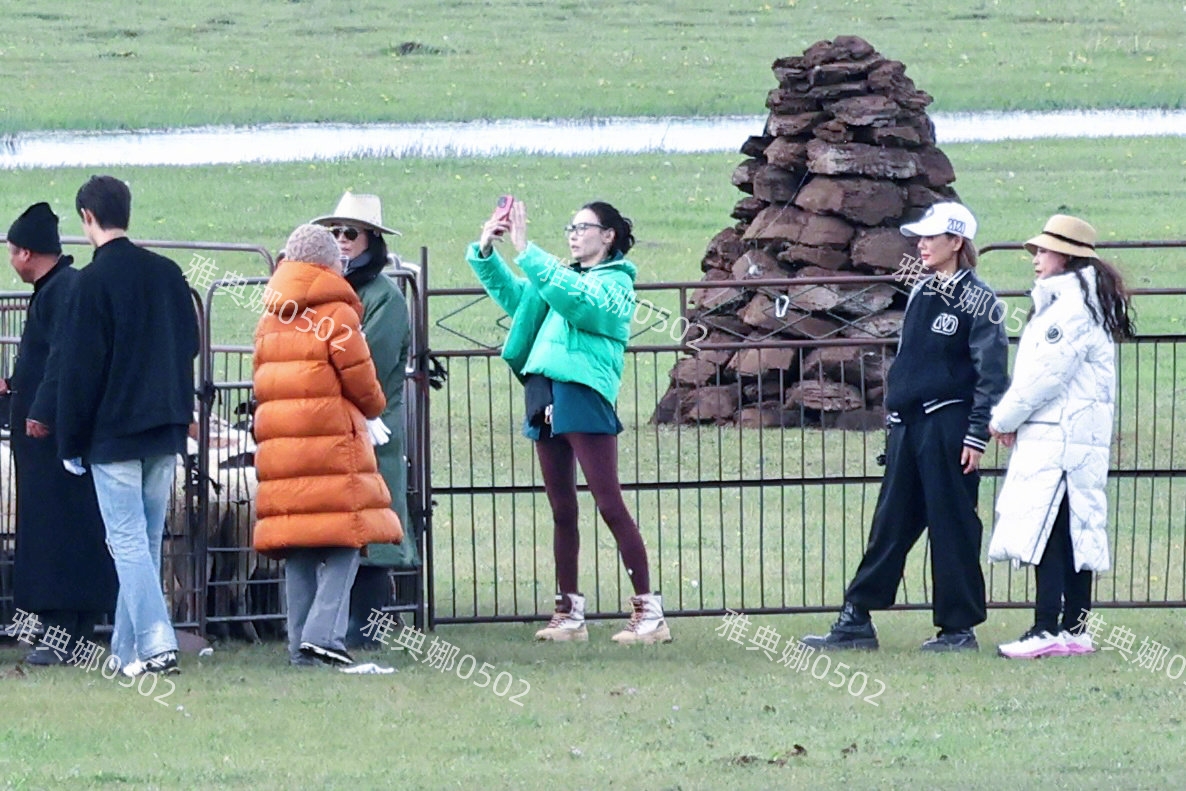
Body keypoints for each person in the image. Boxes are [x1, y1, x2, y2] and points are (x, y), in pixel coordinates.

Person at [803, 202, 1009, 652]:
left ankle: (958, 629)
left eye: (931, 238)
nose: (921, 245)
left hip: (948, 426)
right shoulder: (922, 291)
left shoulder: (979, 300)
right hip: (908, 427)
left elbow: (991, 373)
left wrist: (976, 433)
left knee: (952, 525)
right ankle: (856, 618)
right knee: (890, 522)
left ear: (956, 242)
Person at [466, 197, 671, 645]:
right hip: (545, 392)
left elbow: (581, 305)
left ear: (608, 235)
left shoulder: (615, 284)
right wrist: (487, 251)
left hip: (582, 392)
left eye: (583, 227)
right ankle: (569, 612)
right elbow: (520, 298)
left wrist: (527, 250)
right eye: (570, 228)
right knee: (562, 508)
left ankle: (649, 613)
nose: (574, 235)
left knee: (608, 502)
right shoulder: (563, 278)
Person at [56, 176, 199, 677]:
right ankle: (126, 650)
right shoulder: (168, 274)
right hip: (164, 426)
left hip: (113, 434)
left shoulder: (90, 284)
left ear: (87, 218)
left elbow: (78, 370)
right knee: (145, 538)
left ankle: (157, 645)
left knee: (126, 540)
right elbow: (192, 344)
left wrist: (70, 440)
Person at [251, 224, 402, 668]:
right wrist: (374, 408)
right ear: (327, 264)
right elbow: (360, 378)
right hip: (330, 441)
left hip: (282, 444)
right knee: (345, 540)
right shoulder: (336, 313)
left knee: (298, 545)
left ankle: (300, 644)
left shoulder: (269, 316)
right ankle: (323, 636)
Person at [988, 215, 1134, 659]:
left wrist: (1003, 420)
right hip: (1074, 438)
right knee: (1074, 530)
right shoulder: (1085, 305)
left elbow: (1041, 378)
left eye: (1045, 251)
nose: (1036, 259)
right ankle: (1074, 628)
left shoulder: (1067, 311)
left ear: (1067, 256)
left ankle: (1045, 627)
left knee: (1049, 529)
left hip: (1060, 439)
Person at [4, 202, 117, 665]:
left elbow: (63, 360)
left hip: (53, 438)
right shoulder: (55, 290)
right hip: (44, 439)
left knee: (59, 535)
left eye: (12, 252)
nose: (11, 262)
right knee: (57, 531)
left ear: (27, 253)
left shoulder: (64, 291)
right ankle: (67, 631)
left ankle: (61, 633)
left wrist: (41, 410)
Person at [311, 192, 414, 648]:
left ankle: (365, 631)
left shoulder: (385, 300)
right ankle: (340, 629)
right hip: (337, 429)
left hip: (376, 429)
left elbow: (364, 365)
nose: (341, 241)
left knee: (372, 533)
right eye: (334, 233)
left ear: (371, 239)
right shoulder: (335, 293)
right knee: (342, 529)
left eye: (350, 233)